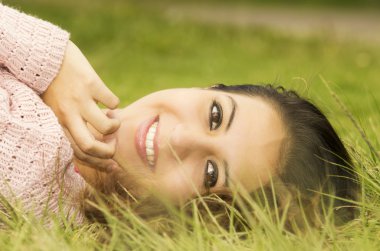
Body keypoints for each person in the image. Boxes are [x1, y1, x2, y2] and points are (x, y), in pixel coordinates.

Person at [0, 4, 358, 228]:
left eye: (211, 172)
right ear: (207, 88)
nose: (182, 139)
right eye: (215, 116)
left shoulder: (48, 210)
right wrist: (54, 60)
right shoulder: (44, 66)